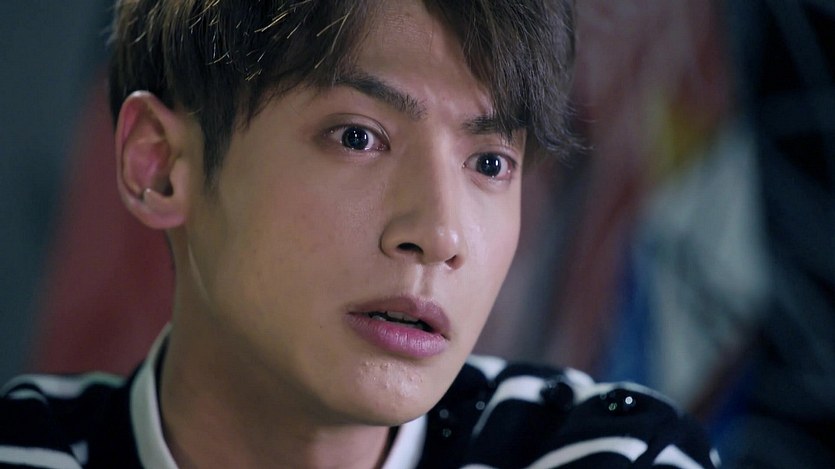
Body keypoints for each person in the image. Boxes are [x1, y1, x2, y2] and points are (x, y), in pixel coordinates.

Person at [0, 1, 718, 467]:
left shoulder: (611, 454)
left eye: (490, 162)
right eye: (357, 137)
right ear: (159, 165)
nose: (439, 233)